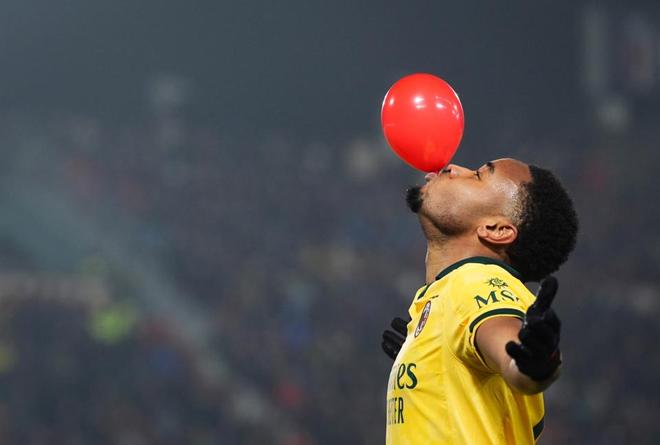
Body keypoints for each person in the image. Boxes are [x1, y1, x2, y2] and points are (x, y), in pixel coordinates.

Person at [381, 158, 578, 444]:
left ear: (496, 229)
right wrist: (428, 361)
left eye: (477, 176)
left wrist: (536, 361)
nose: (453, 167)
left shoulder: (477, 281)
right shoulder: (446, 296)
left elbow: (510, 350)